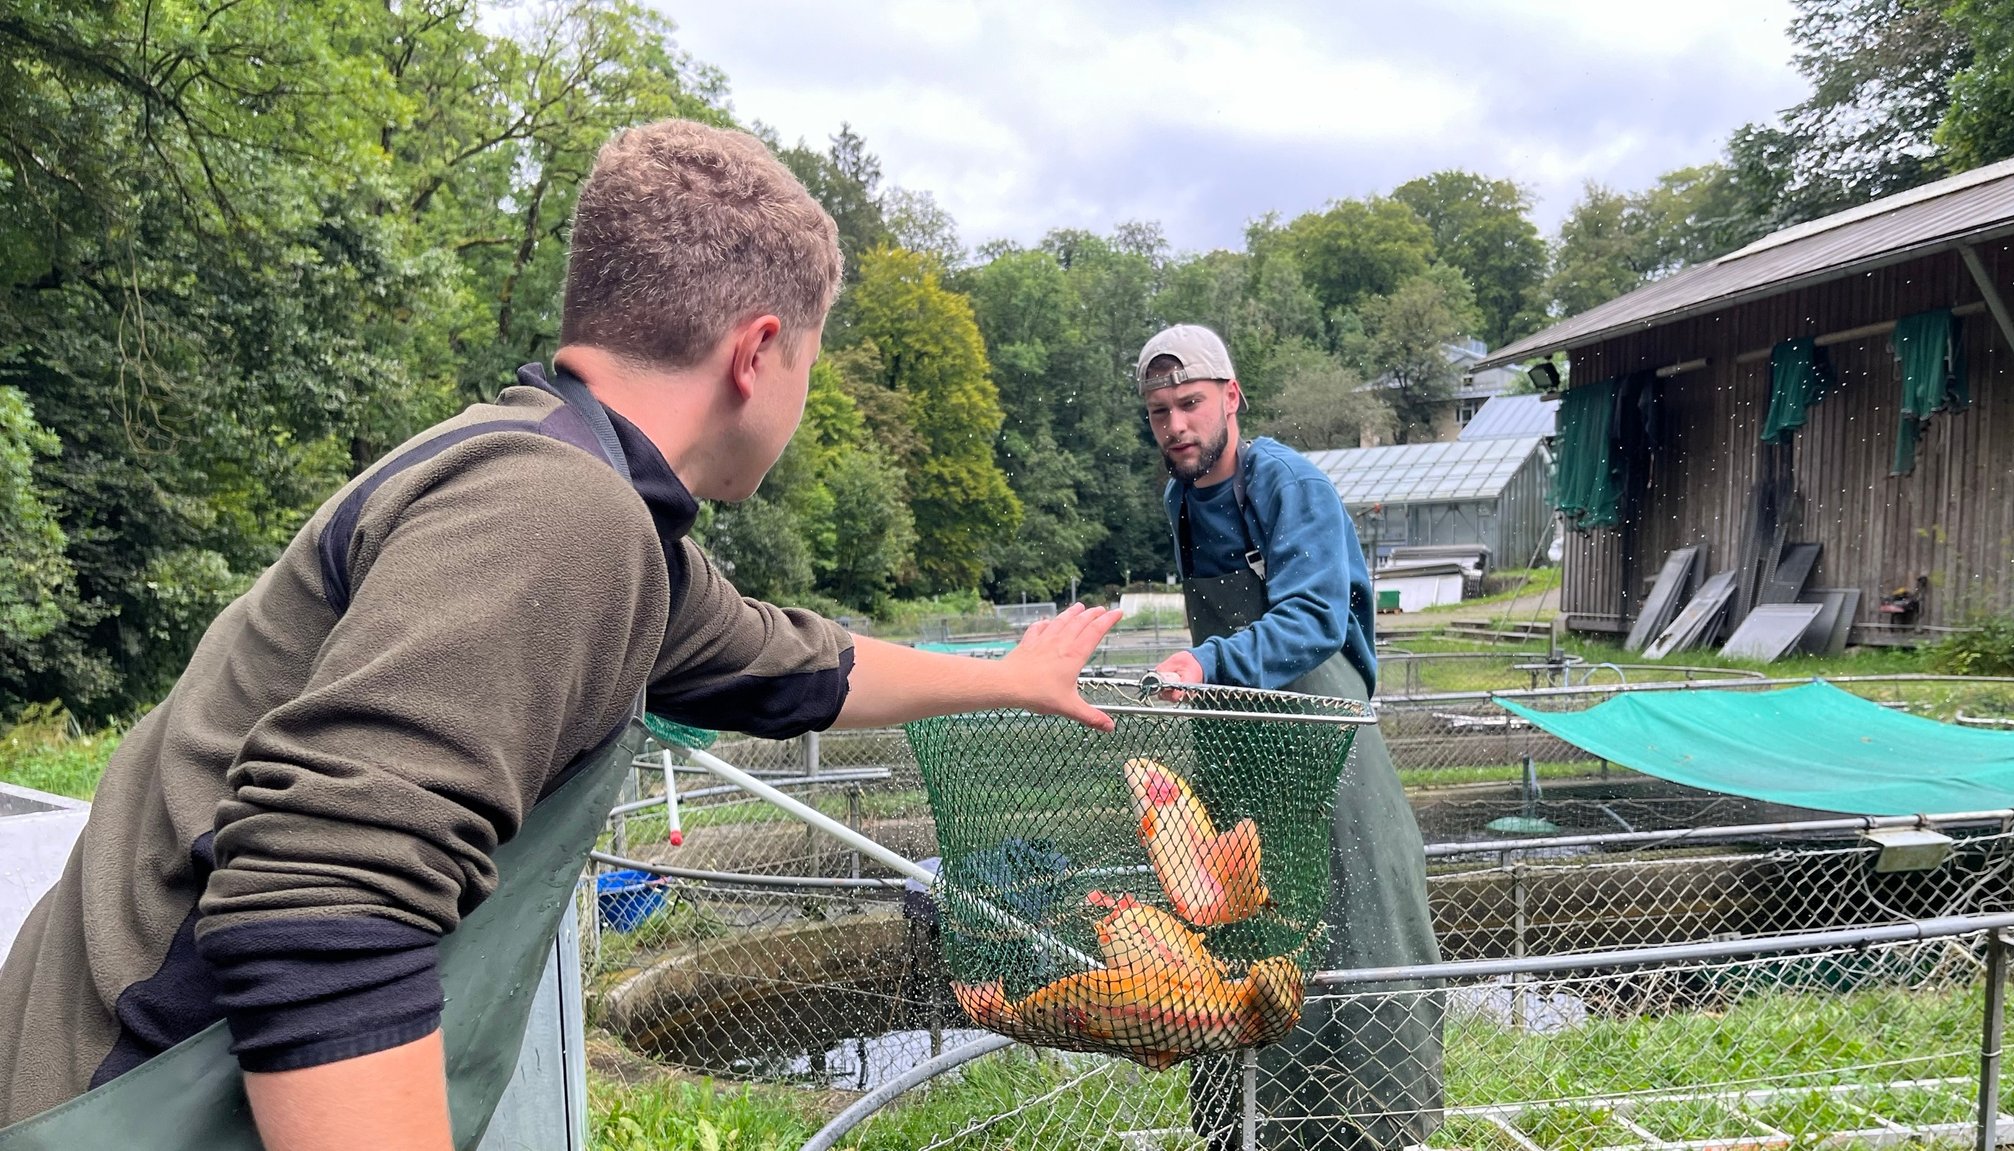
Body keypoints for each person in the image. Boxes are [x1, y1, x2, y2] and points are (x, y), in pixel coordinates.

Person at [0, 120, 1120, 1151]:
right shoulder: (558, 513)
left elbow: (796, 666)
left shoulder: (582, 500)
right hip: (129, 1104)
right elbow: (320, 897)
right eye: (810, 366)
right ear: (758, 350)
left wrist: (1011, 676)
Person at [1140, 324, 1442, 1151]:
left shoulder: (1288, 483)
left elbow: (1312, 618)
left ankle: (1386, 1130)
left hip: (1326, 742)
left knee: (1363, 923)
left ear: (1232, 398)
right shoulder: (1181, 501)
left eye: (1191, 404)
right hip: (1239, 752)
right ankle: (1254, 1132)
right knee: (1245, 936)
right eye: (1160, 411)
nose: (1176, 426)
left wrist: (1204, 665)